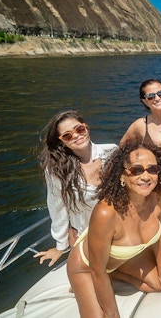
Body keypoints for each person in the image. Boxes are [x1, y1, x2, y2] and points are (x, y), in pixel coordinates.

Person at [66, 141, 161, 317]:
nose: (146, 176)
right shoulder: (106, 213)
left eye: (152, 169)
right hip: (88, 267)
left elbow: (158, 238)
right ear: (122, 176)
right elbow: (97, 270)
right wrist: (112, 313)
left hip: (119, 261)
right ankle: (99, 280)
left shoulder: (157, 199)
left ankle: (116, 274)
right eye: (136, 170)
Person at [34, 111, 117, 267]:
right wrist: (61, 246)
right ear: (61, 142)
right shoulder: (57, 170)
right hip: (87, 239)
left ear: (86, 127)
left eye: (79, 129)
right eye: (67, 136)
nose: (76, 136)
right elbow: (57, 207)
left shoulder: (111, 152)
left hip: (120, 232)